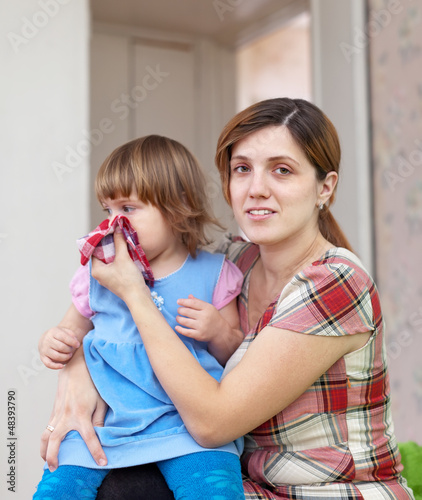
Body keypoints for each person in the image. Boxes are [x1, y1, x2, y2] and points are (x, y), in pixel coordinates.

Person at [40, 98, 415, 499]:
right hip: (249, 485)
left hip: (323, 492)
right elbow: (103, 316)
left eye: (282, 170)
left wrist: (134, 292)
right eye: (242, 169)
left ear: (325, 187)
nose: (256, 189)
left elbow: (211, 425)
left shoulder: (335, 281)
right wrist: (78, 367)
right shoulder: (234, 260)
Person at [34, 135, 246, 500]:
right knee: (58, 488)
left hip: (183, 427)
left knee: (214, 489)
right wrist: (53, 342)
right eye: (107, 210)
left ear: (178, 206)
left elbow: (235, 358)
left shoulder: (214, 272)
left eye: (128, 208)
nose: (114, 222)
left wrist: (216, 330)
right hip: (105, 423)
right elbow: (69, 330)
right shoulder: (98, 273)